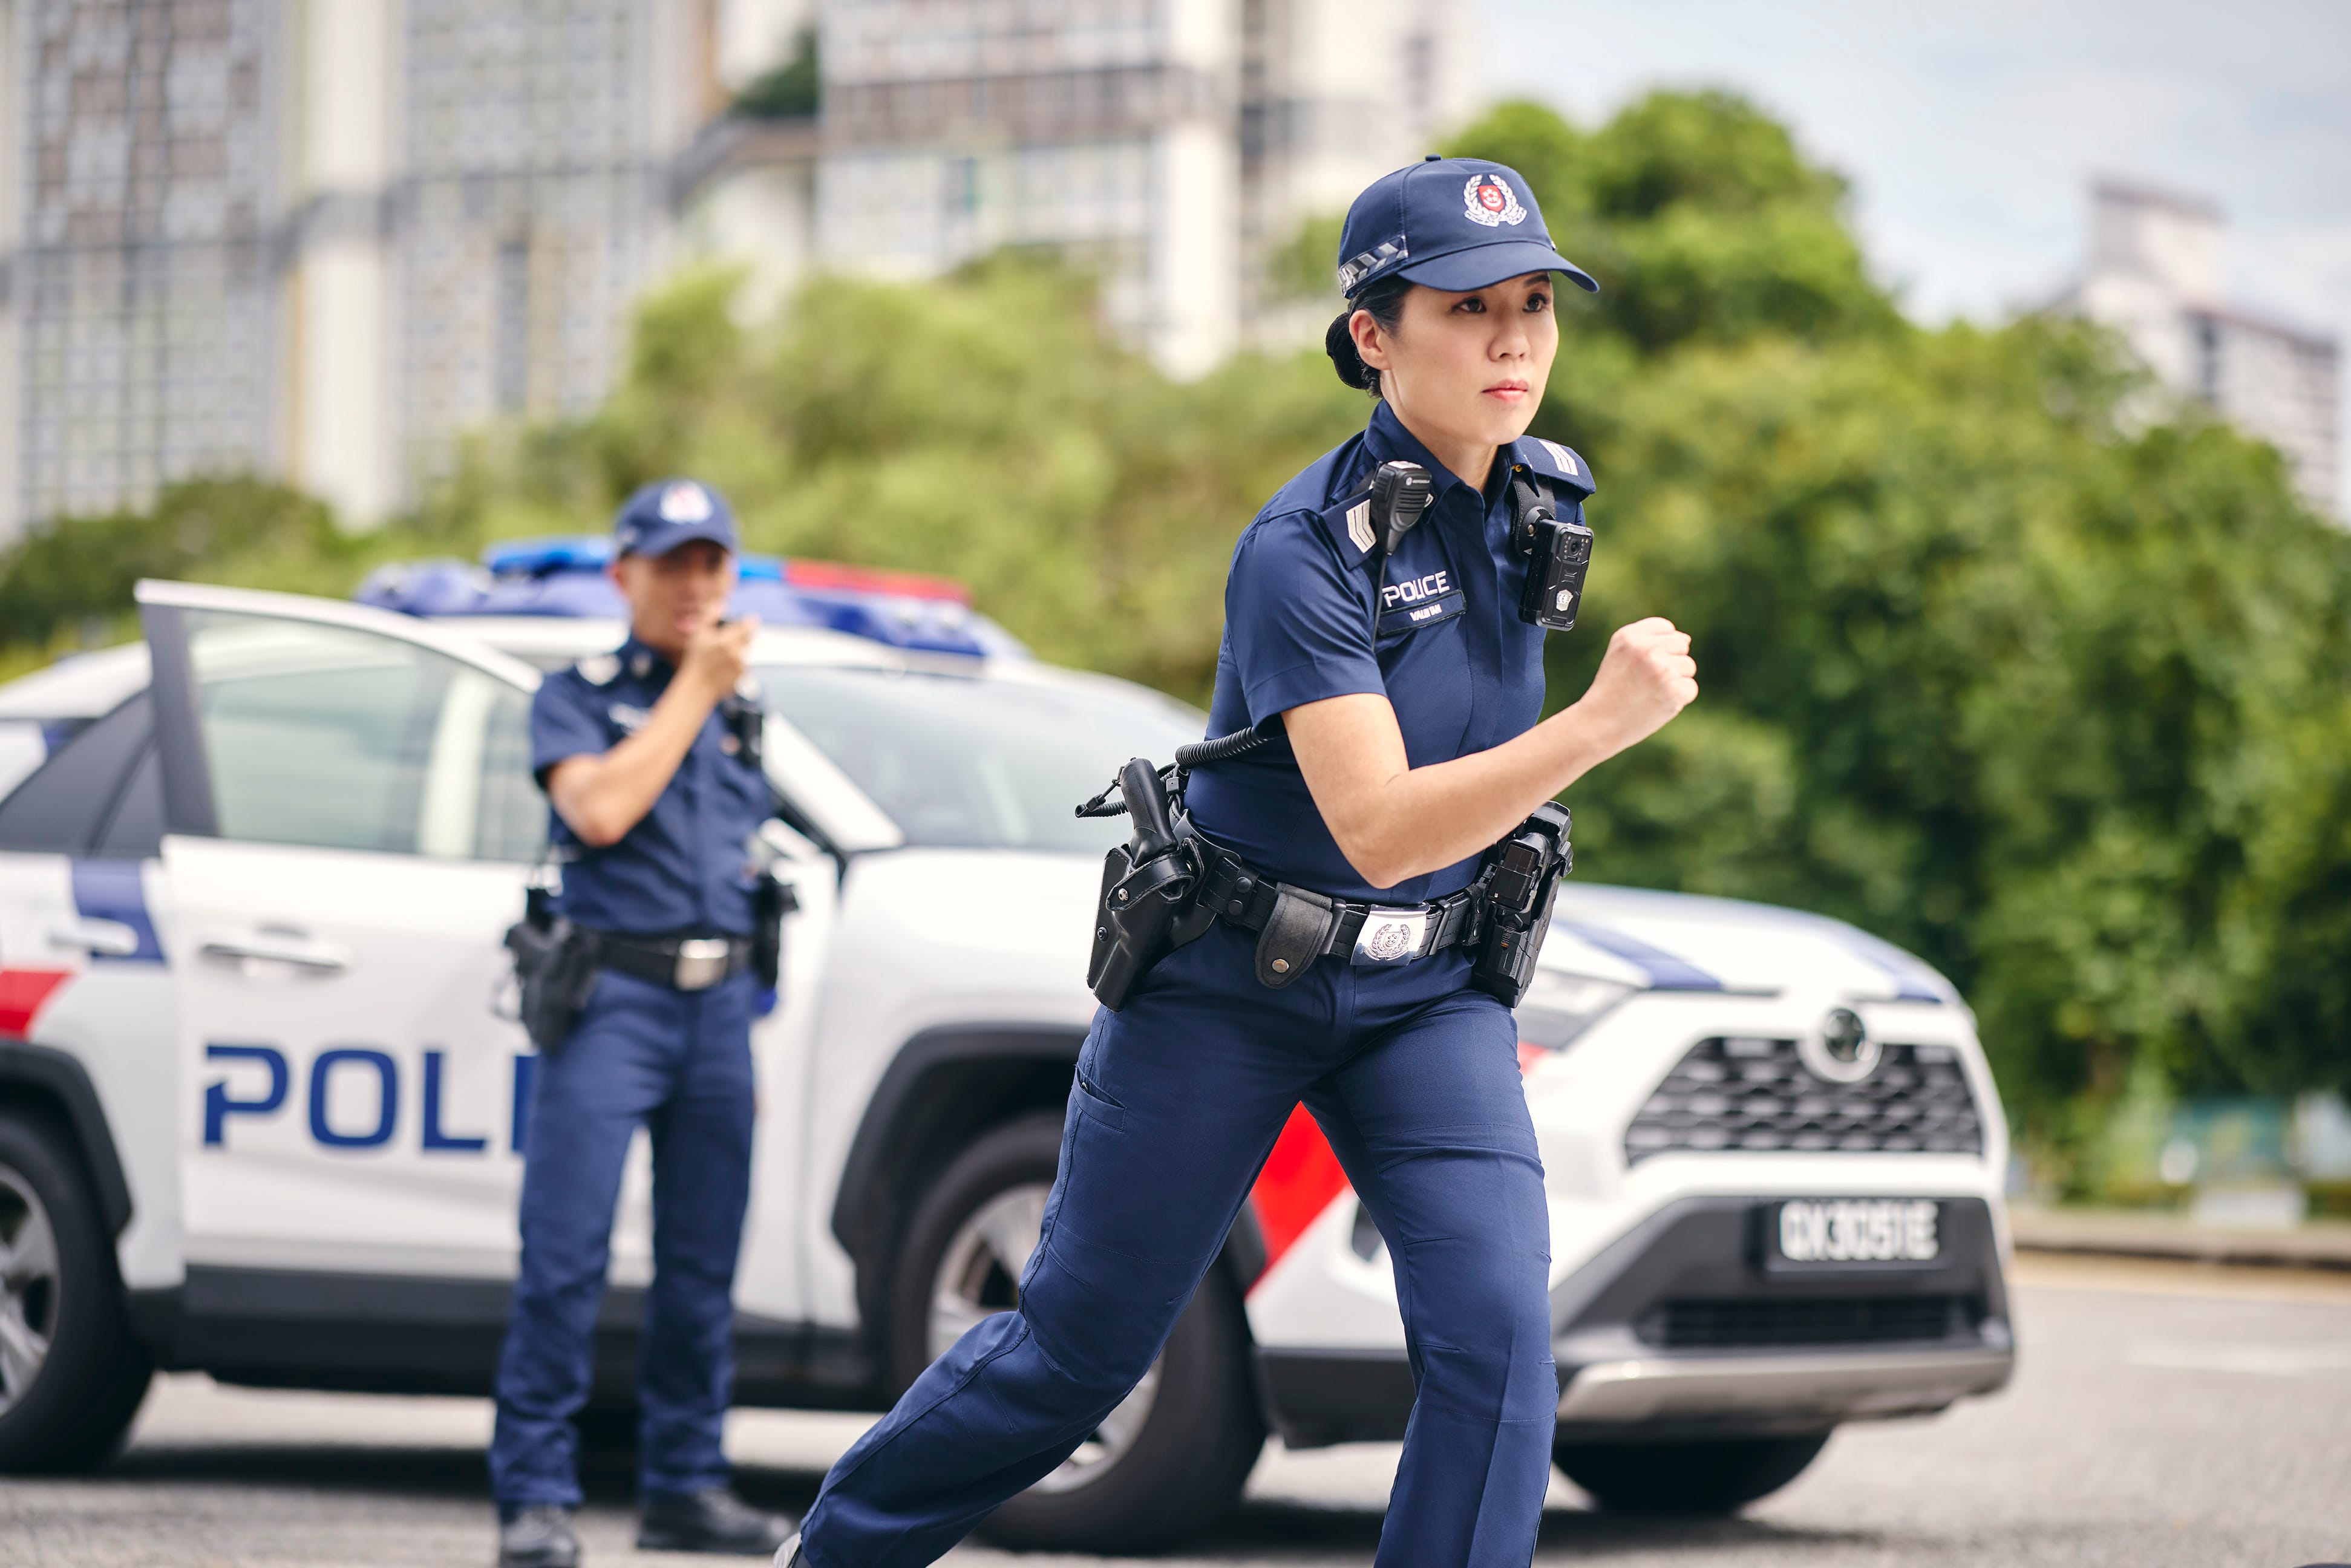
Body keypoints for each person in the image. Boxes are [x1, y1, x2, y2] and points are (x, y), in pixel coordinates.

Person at [777, 156, 1699, 1568]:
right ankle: (831, 1554)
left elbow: (1431, 828)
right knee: (1075, 1359)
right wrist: (1596, 728)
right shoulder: (1298, 551)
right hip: (1228, 984)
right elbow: (1376, 821)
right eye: (1466, 308)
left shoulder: (1541, 505)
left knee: (1503, 1345)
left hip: (1428, 992)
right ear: (1372, 337)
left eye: (1533, 303)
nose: (1514, 339)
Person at [491, 479, 797, 1567]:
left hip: (715, 1006)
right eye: (673, 564)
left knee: (702, 1263)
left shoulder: (741, 708)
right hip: (610, 999)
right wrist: (697, 691)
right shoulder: (578, 695)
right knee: (565, 1256)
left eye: (713, 564)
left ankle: (684, 1486)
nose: (696, 585)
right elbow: (601, 809)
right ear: (625, 575)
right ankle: (532, 1497)